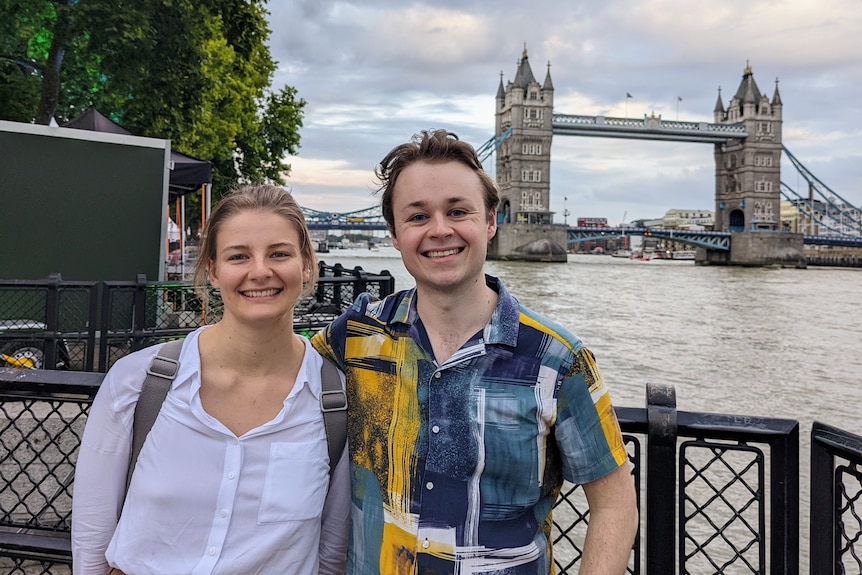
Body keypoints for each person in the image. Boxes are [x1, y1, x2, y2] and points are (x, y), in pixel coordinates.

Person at [311, 130, 638, 574]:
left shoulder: (558, 359)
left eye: (458, 211)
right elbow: (267, 370)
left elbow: (615, 505)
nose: (440, 229)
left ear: (490, 221)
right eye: (418, 216)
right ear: (393, 234)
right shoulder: (353, 337)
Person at [72, 185, 350, 575]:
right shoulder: (138, 383)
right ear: (214, 271)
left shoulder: (334, 400)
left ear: (305, 265)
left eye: (279, 253)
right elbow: (92, 538)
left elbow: (331, 554)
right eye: (239, 256)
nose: (260, 271)